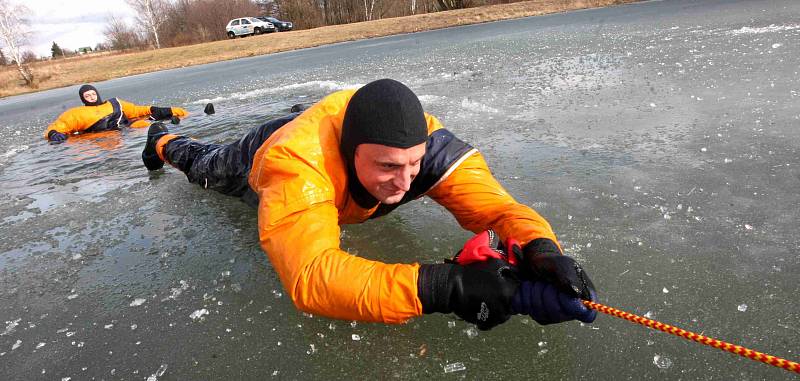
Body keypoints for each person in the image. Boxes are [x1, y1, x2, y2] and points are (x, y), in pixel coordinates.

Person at [142, 79, 597, 330]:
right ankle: (163, 140)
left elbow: (499, 210)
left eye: (413, 165)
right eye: (385, 167)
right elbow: (311, 276)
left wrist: (542, 248)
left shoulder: (431, 150)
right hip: (253, 158)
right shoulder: (297, 165)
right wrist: (444, 286)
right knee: (202, 166)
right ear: (349, 150)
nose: (403, 183)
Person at [43, 84, 188, 143]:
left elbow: (135, 110)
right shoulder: (76, 113)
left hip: (128, 127)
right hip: (103, 135)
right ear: (83, 99)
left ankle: (173, 124)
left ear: (97, 93)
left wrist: (153, 109)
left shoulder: (114, 103)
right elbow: (58, 126)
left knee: (144, 124)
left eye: (93, 94)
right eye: (88, 96)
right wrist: (53, 134)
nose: (92, 97)